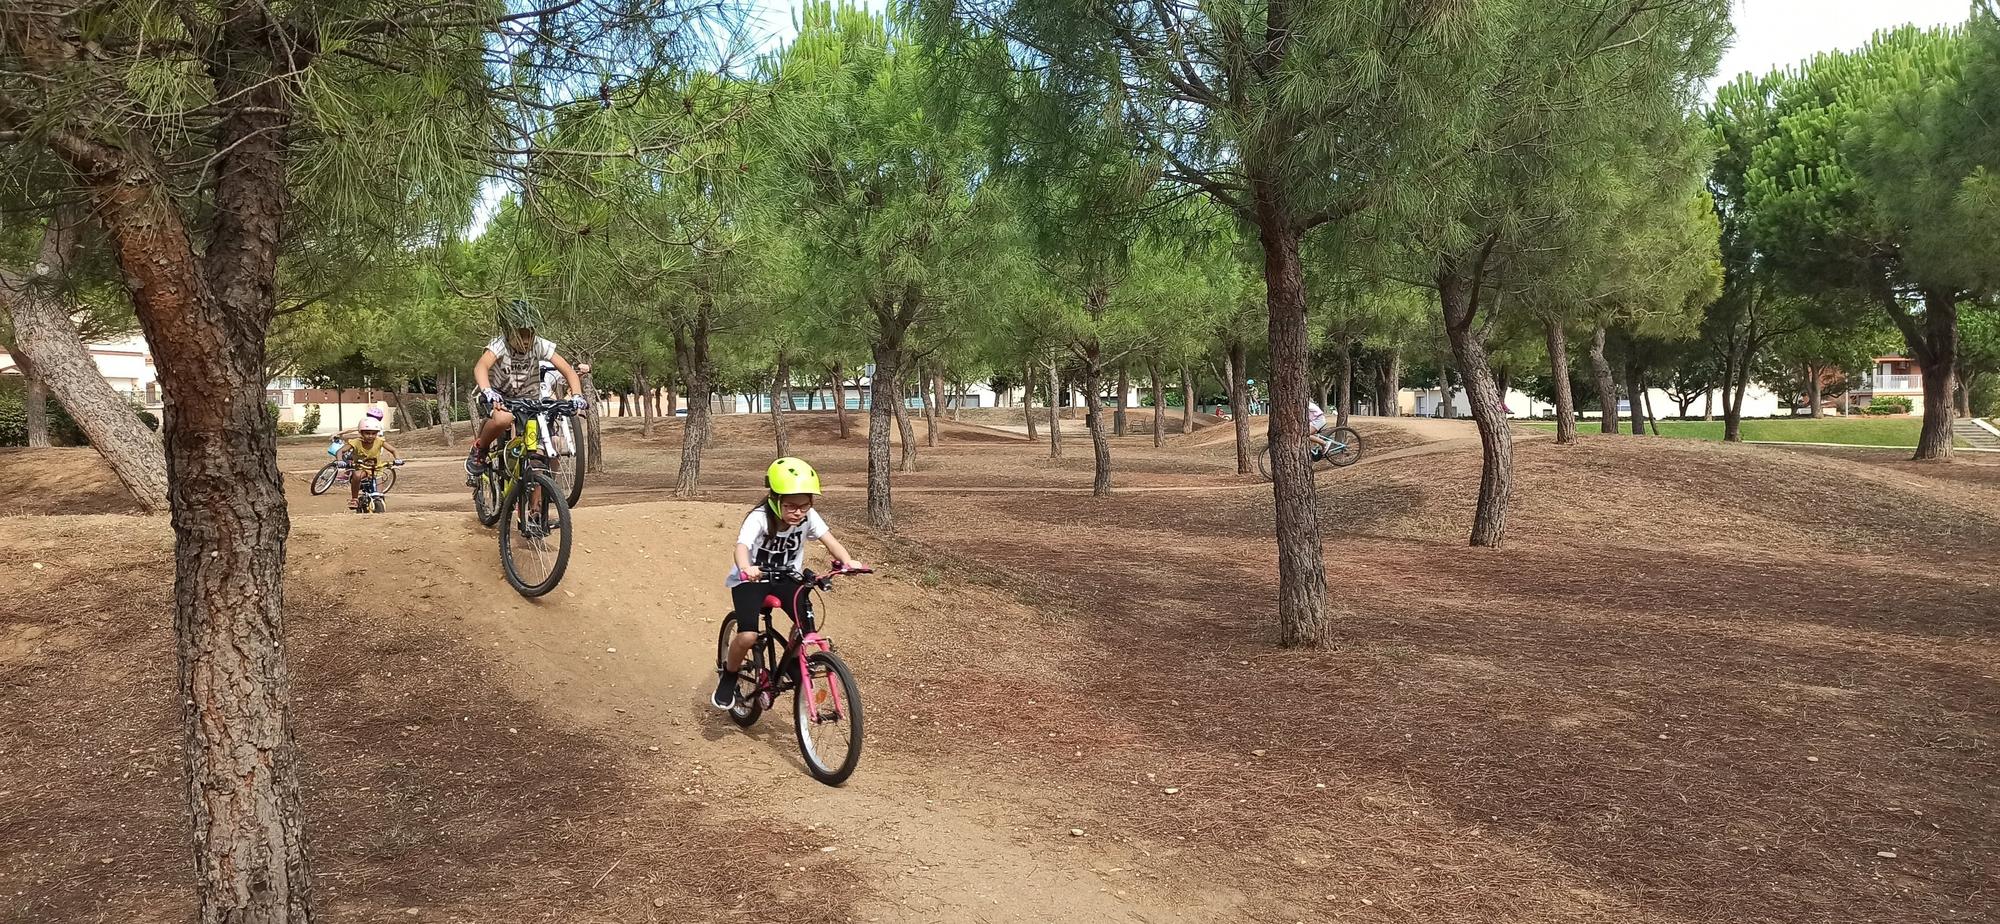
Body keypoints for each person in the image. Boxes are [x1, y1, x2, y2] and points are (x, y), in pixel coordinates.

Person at [714, 457, 865, 710]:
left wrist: (848, 562)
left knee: (805, 626)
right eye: (792, 506)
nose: (799, 512)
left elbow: (830, 540)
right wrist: (746, 568)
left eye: (805, 506)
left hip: (786, 577)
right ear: (775, 501)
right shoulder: (759, 517)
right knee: (749, 634)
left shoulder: (809, 517)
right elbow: (742, 547)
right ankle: (729, 676)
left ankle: (794, 664)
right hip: (752, 579)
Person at [466, 299, 587, 484]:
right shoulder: (499, 345)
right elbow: (481, 366)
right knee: (503, 420)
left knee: (537, 453)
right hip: (499, 395)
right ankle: (480, 448)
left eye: (529, 334)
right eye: (520, 335)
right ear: (508, 333)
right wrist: (487, 390)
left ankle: (535, 508)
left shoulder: (540, 345)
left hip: (529, 399)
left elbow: (568, 370)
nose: (526, 340)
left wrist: (577, 394)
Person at [338, 418, 400, 511]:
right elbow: (340, 451)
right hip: (362, 468)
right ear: (361, 433)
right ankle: (354, 499)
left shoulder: (380, 441)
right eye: (367, 433)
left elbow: (393, 450)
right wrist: (340, 460)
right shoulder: (355, 442)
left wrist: (398, 459)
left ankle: (379, 508)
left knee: (379, 495)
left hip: (377, 470)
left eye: (373, 433)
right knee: (357, 475)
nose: (370, 436)